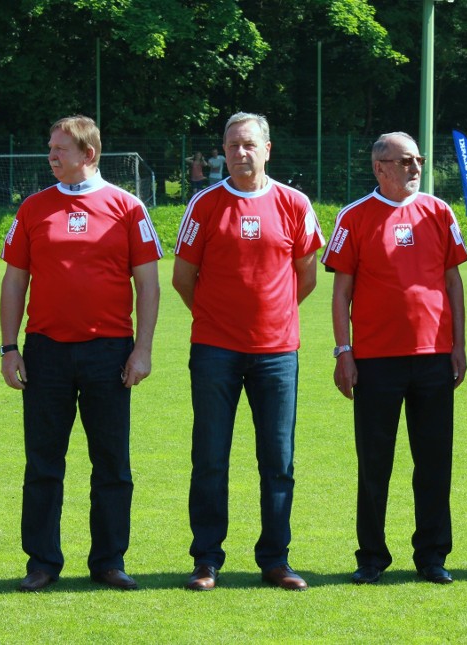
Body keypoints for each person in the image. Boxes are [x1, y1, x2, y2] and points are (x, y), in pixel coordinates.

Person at [0, 115, 162, 592]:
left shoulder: (127, 207)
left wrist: (143, 349)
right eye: (50, 148)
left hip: (109, 354)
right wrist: (10, 348)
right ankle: (42, 562)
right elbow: (14, 282)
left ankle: (109, 561)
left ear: (88, 153)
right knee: (44, 461)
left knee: (112, 462)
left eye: (59, 149)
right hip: (46, 352)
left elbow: (148, 284)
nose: (51, 156)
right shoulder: (33, 209)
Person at [172, 112, 325, 591]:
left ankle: (275, 560)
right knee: (210, 456)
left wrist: (272, 316)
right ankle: (206, 560)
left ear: (267, 149)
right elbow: (182, 278)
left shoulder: (295, 204)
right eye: (233, 145)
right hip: (215, 350)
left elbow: (307, 274)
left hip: (277, 353)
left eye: (249, 145)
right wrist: (221, 321)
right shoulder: (203, 206)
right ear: (224, 149)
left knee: (278, 459)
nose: (241, 153)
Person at [322, 132, 467, 585]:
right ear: (379, 167)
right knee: (374, 463)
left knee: (433, 461)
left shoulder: (439, 212)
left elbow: (454, 283)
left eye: (418, 159)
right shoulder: (354, 216)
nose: (415, 167)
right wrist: (343, 351)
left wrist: (459, 345)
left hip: (433, 358)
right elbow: (341, 291)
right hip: (375, 360)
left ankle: (432, 556)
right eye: (405, 160)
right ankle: (371, 557)